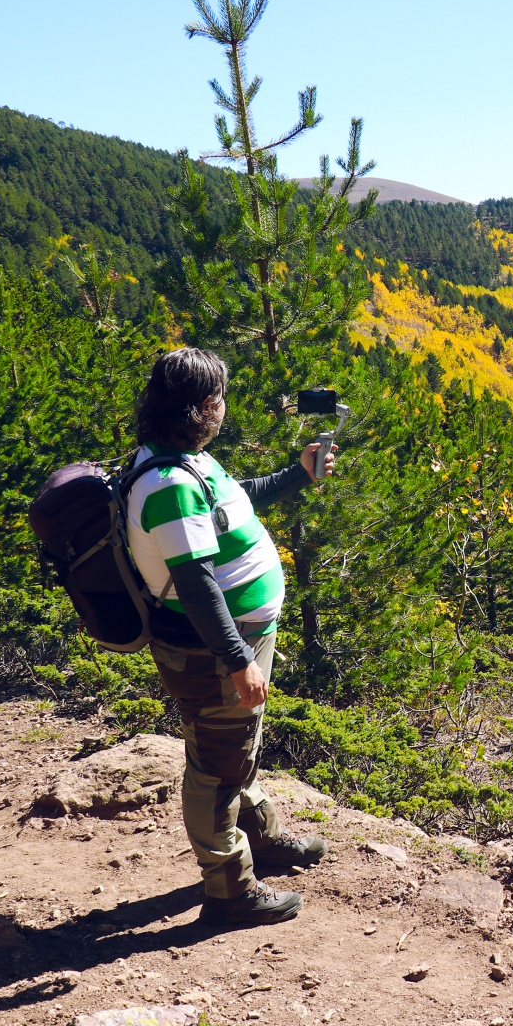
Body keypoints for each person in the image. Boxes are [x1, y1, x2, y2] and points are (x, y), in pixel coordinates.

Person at [127, 347, 334, 926]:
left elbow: (233, 503)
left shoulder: (186, 461)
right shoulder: (169, 483)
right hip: (212, 650)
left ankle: (260, 840)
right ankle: (229, 892)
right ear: (197, 408)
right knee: (216, 764)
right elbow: (195, 585)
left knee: (234, 744)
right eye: (217, 397)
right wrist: (238, 658)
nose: (223, 406)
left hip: (233, 641)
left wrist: (299, 473)